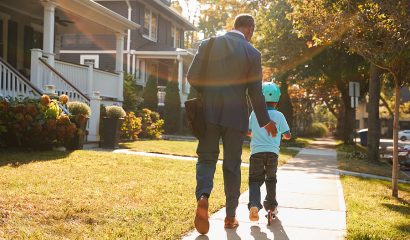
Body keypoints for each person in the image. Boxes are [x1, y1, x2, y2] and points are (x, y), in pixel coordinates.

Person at [187, 14, 278, 234]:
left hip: (208, 112)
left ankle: (203, 196)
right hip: (236, 116)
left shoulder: (208, 44)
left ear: (234, 27)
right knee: (232, 166)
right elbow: (256, 93)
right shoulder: (252, 53)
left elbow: (192, 77)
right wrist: (266, 121)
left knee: (207, 158)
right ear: (250, 30)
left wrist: (209, 92)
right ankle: (229, 217)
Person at [247, 82, 291, 223]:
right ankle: (271, 208)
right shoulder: (279, 115)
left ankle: (254, 204)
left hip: (256, 153)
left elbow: (248, 132)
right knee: (271, 179)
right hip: (272, 153)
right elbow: (288, 135)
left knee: (254, 180)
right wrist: (281, 135)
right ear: (277, 100)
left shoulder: (254, 113)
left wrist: (255, 133)